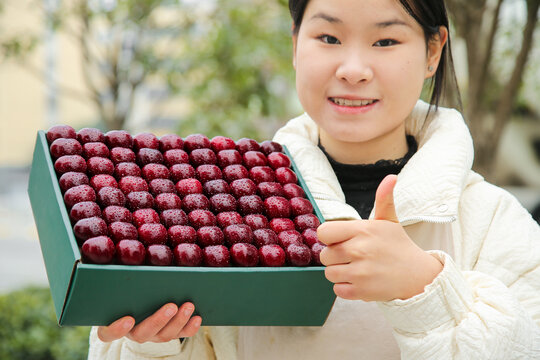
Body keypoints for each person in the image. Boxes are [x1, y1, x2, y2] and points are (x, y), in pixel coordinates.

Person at [88, 0, 540, 359]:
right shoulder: (217, 207)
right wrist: (152, 345)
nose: (353, 69)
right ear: (295, 43)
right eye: (328, 36)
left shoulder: (494, 222)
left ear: (433, 51)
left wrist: (425, 289)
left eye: (385, 41)